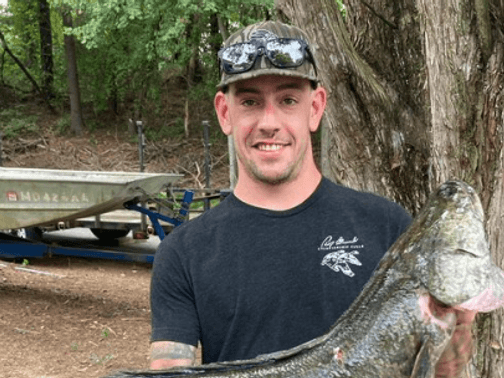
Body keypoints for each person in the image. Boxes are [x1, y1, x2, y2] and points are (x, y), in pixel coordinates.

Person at [149, 20, 475, 376]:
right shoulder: (182, 252)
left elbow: (442, 372)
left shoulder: (388, 228)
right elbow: (169, 369)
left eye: (288, 100)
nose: (268, 122)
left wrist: (459, 326)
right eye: (250, 102)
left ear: (316, 108)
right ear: (225, 113)